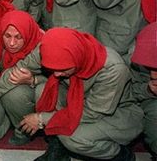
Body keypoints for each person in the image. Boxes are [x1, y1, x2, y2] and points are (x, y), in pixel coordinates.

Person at [22, 28, 143, 161]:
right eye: (53, 69)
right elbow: (31, 70)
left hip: (116, 112)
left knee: (71, 137)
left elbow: (92, 112)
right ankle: (58, 150)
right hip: (80, 100)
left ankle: (120, 155)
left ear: (77, 58)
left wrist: (41, 119)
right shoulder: (59, 49)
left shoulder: (113, 70)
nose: (56, 74)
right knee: (43, 91)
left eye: (62, 69)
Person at [0, 10, 44, 146]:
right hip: (0, 85)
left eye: (18, 37)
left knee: (14, 94)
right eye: (7, 36)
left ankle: (24, 130)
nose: (12, 43)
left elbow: (60, 80)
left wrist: (34, 80)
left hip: (27, 90)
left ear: (27, 34)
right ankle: (8, 121)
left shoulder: (41, 45)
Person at [131, 22, 157, 158]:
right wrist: (147, 89)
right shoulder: (139, 56)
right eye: (150, 68)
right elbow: (130, 91)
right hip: (152, 100)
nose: (153, 75)